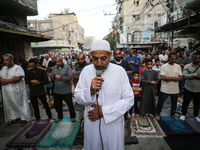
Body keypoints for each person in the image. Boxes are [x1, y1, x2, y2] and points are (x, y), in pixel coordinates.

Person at [74, 39, 134, 150]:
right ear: (91, 56)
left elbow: (129, 99)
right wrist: (90, 90)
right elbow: (77, 97)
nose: (99, 63)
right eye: (95, 59)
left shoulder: (119, 71)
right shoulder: (86, 71)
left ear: (110, 55)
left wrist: (104, 112)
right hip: (92, 125)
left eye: (103, 58)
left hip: (113, 126)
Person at [0, 54, 31, 127]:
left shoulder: (18, 68)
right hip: (6, 91)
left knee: (20, 104)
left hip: (17, 91)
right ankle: (14, 118)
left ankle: (24, 119)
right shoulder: (3, 68)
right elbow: (0, 77)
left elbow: (17, 78)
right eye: (4, 60)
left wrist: (6, 81)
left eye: (6, 60)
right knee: (9, 105)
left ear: (11, 60)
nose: (5, 62)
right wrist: (2, 80)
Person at [156, 52, 183, 121]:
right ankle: (158, 113)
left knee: (174, 103)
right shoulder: (164, 66)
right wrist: (174, 78)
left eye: (175, 59)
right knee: (161, 102)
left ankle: (173, 114)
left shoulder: (178, 66)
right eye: (172, 58)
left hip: (175, 88)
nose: (174, 60)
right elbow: (163, 77)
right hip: (165, 88)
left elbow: (181, 77)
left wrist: (178, 78)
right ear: (169, 58)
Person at [26, 58, 54, 124]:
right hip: (33, 91)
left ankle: (50, 117)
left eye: (33, 66)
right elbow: (26, 80)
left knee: (45, 105)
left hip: (41, 91)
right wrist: (31, 81)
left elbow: (46, 81)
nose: (32, 67)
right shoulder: (28, 71)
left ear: (36, 64)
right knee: (35, 106)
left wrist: (38, 82)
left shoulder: (42, 71)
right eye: (30, 66)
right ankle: (37, 118)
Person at [50, 55, 76, 123]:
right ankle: (60, 116)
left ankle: (73, 116)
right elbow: (51, 76)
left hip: (66, 91)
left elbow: (69, 77)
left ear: (62, 61)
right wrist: (55, 76)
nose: (57, 63)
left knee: (70, 105)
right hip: (57, 91)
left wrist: (61, 78)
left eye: (59, 62)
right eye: (56, 62)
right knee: (57, 106)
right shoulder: (55, 67)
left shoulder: (67, 67)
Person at [110, 49, 132, 121]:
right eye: (116, 54)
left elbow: (130, 71)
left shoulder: (125, 62)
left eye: (119, 54)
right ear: (114, 55)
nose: (118, 55)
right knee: (115, 102)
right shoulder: (111, 63)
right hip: (114, 86)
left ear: (121, 54)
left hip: (124, 85)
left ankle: (125, 118)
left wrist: (121, 72)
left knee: (124, 102)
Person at [180, 52, 200, 122]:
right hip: (188, 87)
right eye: (195, 58)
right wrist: (194, 75)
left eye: (198, 58)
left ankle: (196, 115)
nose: (197, 59)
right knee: (186, 102)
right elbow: (185, 76)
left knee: (197, 103)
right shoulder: (187, 66)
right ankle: (183, 114)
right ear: (192, 58)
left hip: (198, 89)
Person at [73, 53, 88, 122]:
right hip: (79, 87)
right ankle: (80, 116)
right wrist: (81, 77)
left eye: (82, 59)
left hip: (87, 88)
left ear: (84, 58)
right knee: (80, 103)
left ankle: (88, 117)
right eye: (79, 59)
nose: (80, 61)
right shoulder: (77, 66)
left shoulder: (88, 66)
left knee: (87, 103)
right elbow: (74, 76)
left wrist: (80, 77)